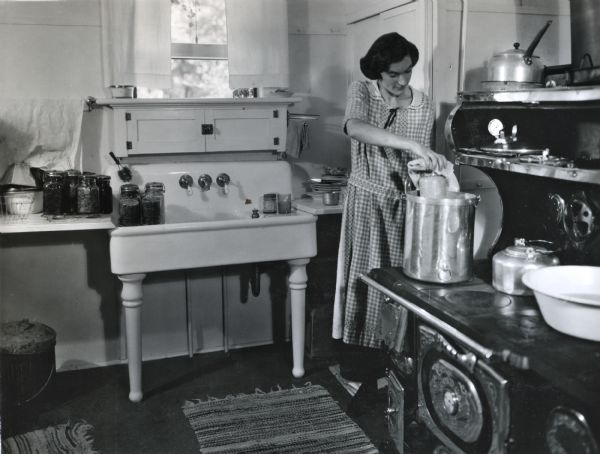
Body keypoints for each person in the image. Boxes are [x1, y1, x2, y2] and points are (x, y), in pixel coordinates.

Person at [332, 32, 449, 409]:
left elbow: (419, 163)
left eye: (408, 73)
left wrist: (425, 163)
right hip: (367, 202)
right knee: (366, 283)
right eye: (394, 74)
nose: (402, 81)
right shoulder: (362, 92)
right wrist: (411, 145)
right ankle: (361, 372)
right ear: (378, 71)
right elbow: (354, 127)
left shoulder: (424, 104)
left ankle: (394, 370)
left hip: (406, 207)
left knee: (402, 289)